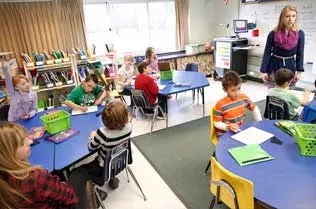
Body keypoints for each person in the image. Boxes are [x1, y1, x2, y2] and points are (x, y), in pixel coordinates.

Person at [68, 100, 132, 208]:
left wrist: (92, 136)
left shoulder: (102, 133)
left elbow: (91, 147)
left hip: (102, 168)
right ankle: (112, 178)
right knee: (109, 153)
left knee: (75, 172)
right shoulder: (129, 127)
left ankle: (94, 195)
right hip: (120, 160)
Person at [0, 121, 78, 209]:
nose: (30, 142)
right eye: (22, 143)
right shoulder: (35, 178)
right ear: (8, 153)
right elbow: (71, 199)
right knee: (78, 174)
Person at [260, 5, 305, 88]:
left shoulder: (300, 34)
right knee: (274, 93)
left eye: (293, 16)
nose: (290, 19)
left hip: (290, 65)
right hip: (275, 65)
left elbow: (300, 54)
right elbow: (267, 52)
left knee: (288, 93)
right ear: (282, 18)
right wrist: (263, 71)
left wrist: (299, 72)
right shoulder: (273, 33)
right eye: (287, 16)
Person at [214, 71, 262, 136]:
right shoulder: (220, 104)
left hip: (239, 131)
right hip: (225, 134)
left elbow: (254, 108)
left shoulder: (243, 98)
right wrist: (228, 127)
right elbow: (217, 123)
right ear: (225, 90)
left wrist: (259, 122)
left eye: (239, 88)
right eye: (233, 90)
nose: (237, 93)